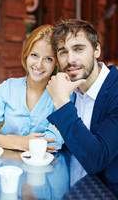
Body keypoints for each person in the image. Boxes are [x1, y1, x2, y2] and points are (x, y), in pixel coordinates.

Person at [46, 19, 118, 194]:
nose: (70, 60)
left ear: (96, 50)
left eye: (79, 49)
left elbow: (95, 159)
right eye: (63, 52)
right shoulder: (69, 90)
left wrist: (62, 103)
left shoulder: (115, 90)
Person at [0, 24, 65, 152]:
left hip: (44, 168)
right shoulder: (8, 88)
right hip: (5, 168)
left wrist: (2, 139)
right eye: (34, 55)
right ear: (26, 54)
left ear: (56, 63)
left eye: (48, 59)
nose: (38, 65)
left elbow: (54, 141)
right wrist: (16, 142)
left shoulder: (62, 94)